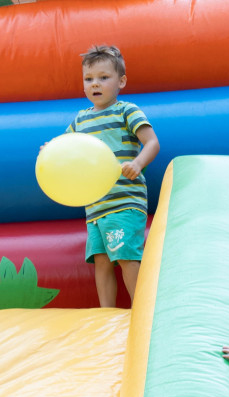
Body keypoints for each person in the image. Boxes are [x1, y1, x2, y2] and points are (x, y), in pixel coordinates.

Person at [66, 44, 159, 308]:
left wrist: (138, 163)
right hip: (95, 204)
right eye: (89, 79)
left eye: (103, 78)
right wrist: (50, 150)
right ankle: (106, 314)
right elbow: (67, 149)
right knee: (102, 259)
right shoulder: (80, 120)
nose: (95, 84)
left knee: (126, 256)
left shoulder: (126, 110)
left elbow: (152, 142)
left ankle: (142, 310)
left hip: (124, 200)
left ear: (121, 81)